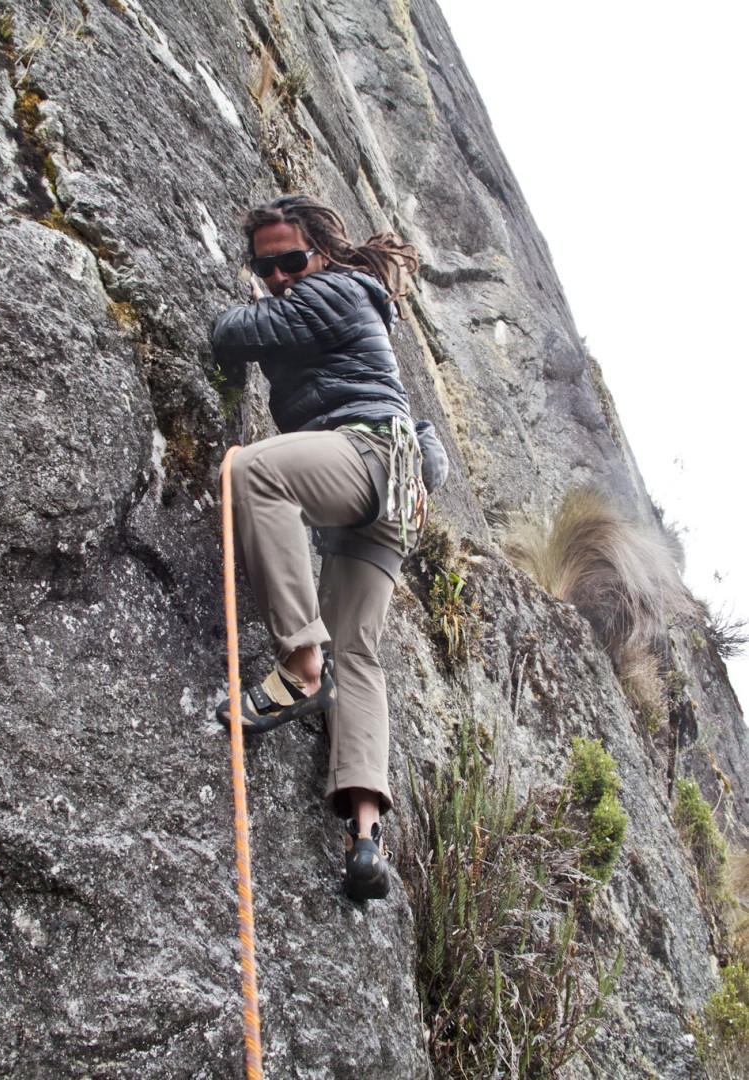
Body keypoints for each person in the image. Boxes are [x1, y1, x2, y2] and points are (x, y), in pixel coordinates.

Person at [213, 193, 439, 901]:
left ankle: (300, 665)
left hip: (365, 453)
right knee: (361, 650)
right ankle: (366, 836)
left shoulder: (335, 288)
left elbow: (235, 332)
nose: (280, 276)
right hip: (395, 487)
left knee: (256, 471)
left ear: (321, 252)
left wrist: (248, 306)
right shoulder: (349, 293)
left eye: (290, 260)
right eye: (266, 266)